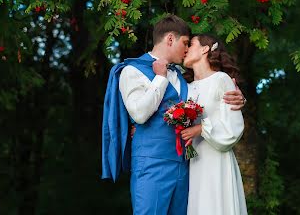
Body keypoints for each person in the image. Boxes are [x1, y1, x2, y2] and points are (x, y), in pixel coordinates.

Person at [102, 15, 246, 215]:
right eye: (185, 43)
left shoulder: (181, 76)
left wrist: (239, 99)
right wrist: (160, 79)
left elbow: (206, 96)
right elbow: (140, 115)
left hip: (187, 166)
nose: (187, 50)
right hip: (153, 164)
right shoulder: (132, 71)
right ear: (170, 39)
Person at [181, 35, 248, 215]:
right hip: (193, 161)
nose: (185, 49)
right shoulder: (185, 86)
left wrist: (201, 128)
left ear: (205, 49)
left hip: (216, 158)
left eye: (191, 44)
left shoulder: (221, 79)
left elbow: (233, 127)